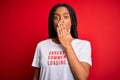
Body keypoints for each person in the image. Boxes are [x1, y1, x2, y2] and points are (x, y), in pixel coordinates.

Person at [32, 3, 92, 80]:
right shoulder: (41, 46)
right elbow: (36, 77)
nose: (61, 21)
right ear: (52, 22)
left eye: (66, 17)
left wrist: (67, 44)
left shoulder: (83, 45)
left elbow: (82, 78)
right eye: (56, 17)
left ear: (72, 22)